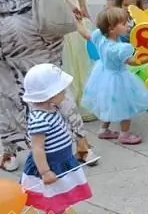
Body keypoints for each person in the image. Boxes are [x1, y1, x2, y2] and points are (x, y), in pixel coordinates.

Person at [0, 0, 98, 172]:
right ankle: (80, 142)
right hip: (35, 23)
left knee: (6, 88)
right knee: (52, 86)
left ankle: (9, 152)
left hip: (1, 25)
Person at [20, 64, 93, 214]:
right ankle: (55, 210)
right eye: (62, 91)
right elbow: (37, 148)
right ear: (49, 95)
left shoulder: (52, 109)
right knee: (52, 195)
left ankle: (58, 210)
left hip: (62, 160)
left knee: (60, 195)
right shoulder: (40, 119)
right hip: (51, 164)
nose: (65, 93)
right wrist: (45, 172)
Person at [79, 7, 148, 145]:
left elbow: (86, 35)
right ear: (112, 29)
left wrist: (76, 22)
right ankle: (124, 134)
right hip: (119, 78)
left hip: (103, 74)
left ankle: (103, 130)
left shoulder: (99, 36)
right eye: (124, 24)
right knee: (126, 106)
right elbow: (132, 62)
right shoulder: (119, 48)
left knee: (108, 104)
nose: (128, 26)